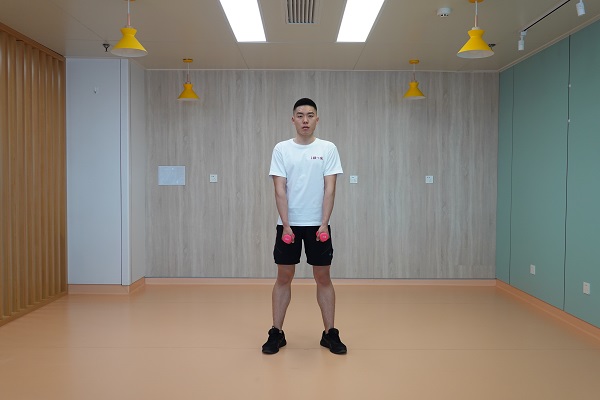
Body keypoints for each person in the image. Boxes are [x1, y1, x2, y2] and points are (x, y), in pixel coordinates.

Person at [262, 98, 347, 355]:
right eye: (300, 115)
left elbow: (330, 188)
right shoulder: (281, 149)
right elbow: (279, 189)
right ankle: (276, 332)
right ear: (293, 120)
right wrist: (286, 226)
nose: (305, 120)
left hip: (318, 225)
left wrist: (324, 224)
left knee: (323, 277)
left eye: (310, 115)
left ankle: (330, 333)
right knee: (283, 277)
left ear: (317, 119)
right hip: (288, 225)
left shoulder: (328, 148)